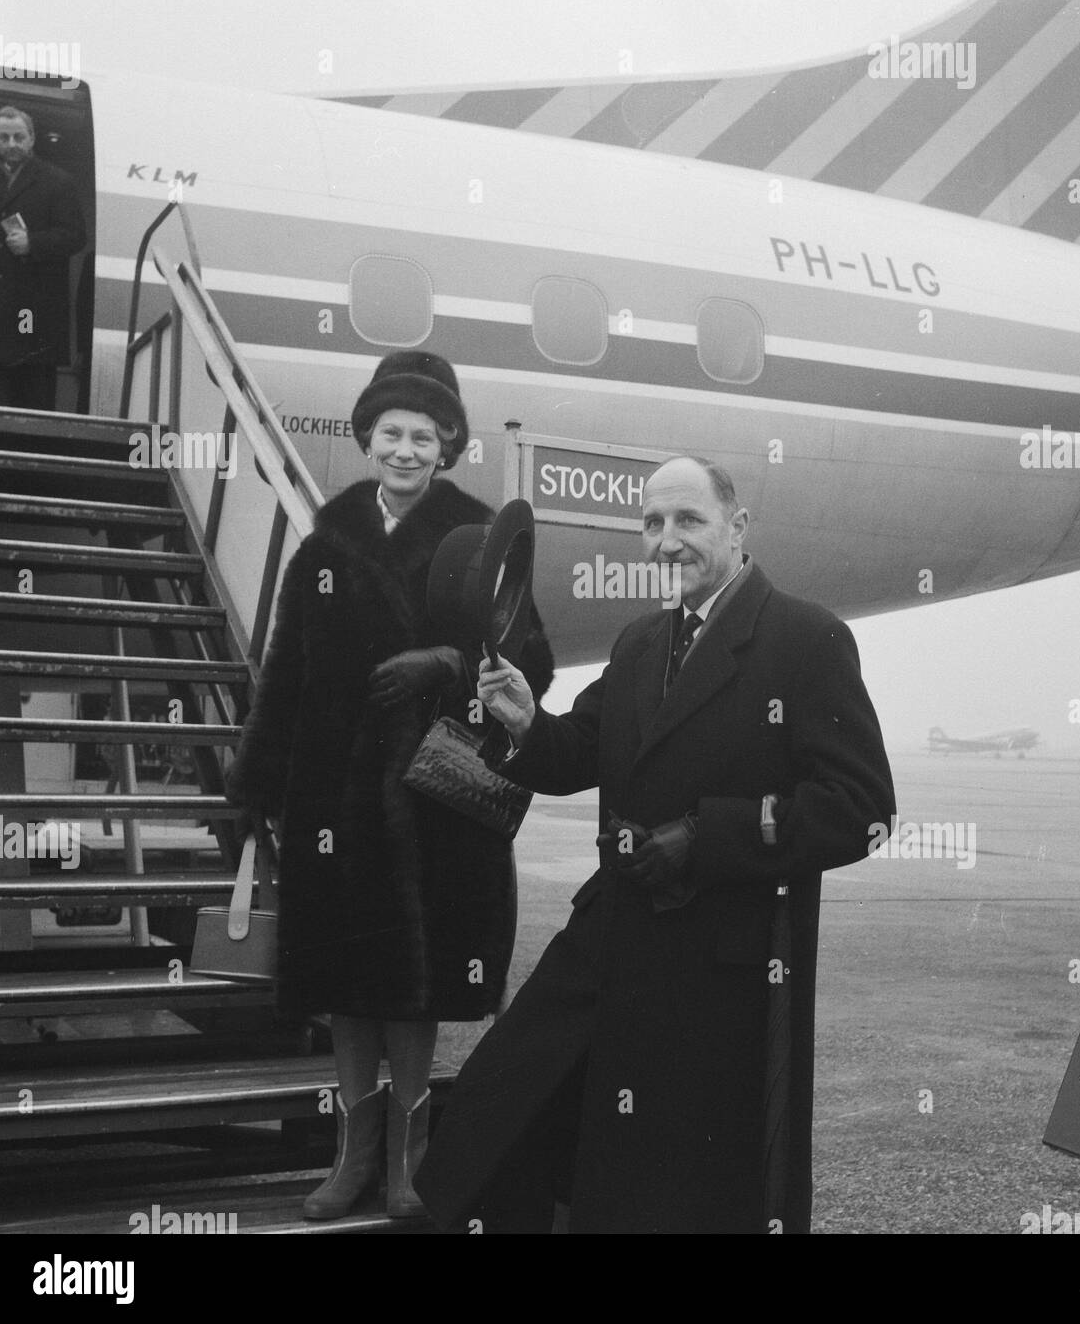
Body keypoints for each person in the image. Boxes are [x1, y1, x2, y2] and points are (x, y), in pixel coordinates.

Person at [414, 455, 895, 1233]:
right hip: (614, 933)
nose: (667, 541)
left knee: (682, 1178)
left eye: (688, 521)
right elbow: (582, 752)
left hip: (722, 961)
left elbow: (861, 808)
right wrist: (526, 722)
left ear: (737, 529)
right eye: (652, 524)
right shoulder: (641, 640)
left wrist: (706, 837)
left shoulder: (807, 638)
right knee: (502, 1101)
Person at [226, 351, 555, 1220]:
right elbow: (285, 666)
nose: (406, 450)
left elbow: (536, 660)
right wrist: (257, 780)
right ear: (367, 438)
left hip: (432, 795)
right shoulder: (327, 538)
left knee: (415, 982)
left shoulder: (484, 535)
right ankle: (353, 1156)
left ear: (448, 444)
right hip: (332, 794)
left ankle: (408, 1159)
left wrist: (447, 661)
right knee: (342, 981)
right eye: (391, 433)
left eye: (425, 436)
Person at [0, 106, 87, 409]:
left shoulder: (58, 182)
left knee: (33, 395)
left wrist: (34, 243)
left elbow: (75, 236)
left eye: (18, 136)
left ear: (31, 139)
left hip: (33, 310)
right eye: (4, 137)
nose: (12, 143)